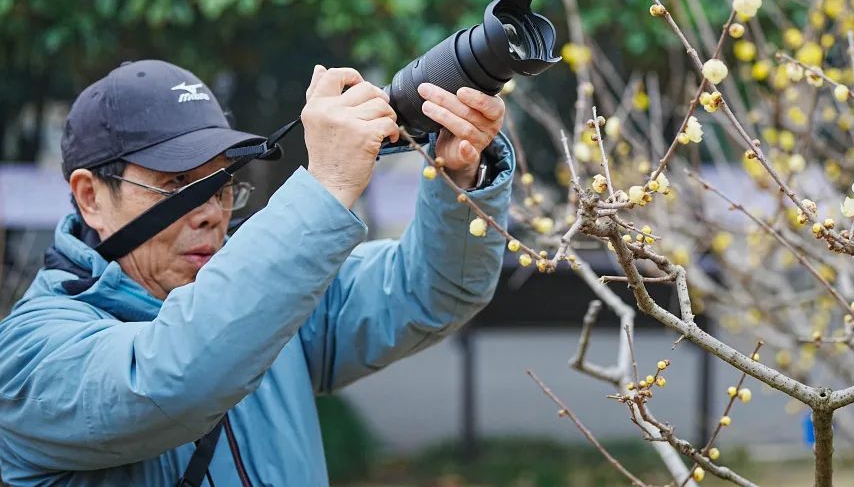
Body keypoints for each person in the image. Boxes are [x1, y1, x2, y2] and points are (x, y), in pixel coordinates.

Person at [0, 59, 514, 486]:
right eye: (177, 182)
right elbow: (171, 381)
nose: (210, 211)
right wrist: (327, 182)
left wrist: (462, 175)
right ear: (90, 196)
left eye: (220, 183)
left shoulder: (269, 297)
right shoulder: (28, 354)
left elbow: (432, 289)